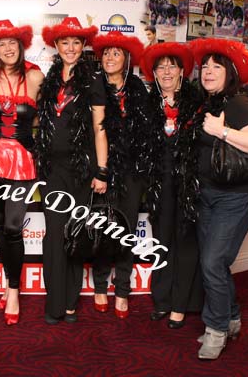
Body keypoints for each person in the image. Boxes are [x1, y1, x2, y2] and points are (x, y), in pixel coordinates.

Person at [189, 37, 248, 360]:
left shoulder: (238, 102)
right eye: (205, 67)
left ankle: (217, 329)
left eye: (216, 67)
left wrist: (221, 131)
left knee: (213, 262)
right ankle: (231, 317)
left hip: (235, 197)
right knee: (214, 263)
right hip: (207, 194)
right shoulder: (207, 102)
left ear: (230, 72)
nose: (208, 72)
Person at [0, 20, 44, 325]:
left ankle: (14, 291)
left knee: (14, 227)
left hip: (23, 160)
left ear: (21, 45)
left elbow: (46, 121)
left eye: (13, 43)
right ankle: (8, 280)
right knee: (0, 224)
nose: (8, 48)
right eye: (2, 44)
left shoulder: (37, 76)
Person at [37, 17, 105, 325]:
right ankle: (54, 302)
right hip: (53, 170)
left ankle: (70, 302)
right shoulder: (49, 78)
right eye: (65, 42)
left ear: (83, 46)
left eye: (76, 43)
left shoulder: (93, 80)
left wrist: (101, 170)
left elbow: (99, 128)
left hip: (81, 168)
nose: (70, 48)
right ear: (56, 45)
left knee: (73, 234)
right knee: (53, 235)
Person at [90, 31, 160, 319]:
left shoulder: (137, 89)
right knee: (103, 230)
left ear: (127, 59)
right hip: (101, 170)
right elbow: (95, 130)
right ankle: (99, 287)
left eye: (116, 53)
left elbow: (146, 132)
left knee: (125, 233)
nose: (109, 57)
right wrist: (101, 171)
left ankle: (122, 290)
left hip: (131, 172)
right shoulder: (93, 86)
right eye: (106, 53)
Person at [140, 42, 204, 329]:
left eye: (172, 66)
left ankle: (181, 304)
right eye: (161, 66)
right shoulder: (147, 103)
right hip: (159, 183)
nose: (166, 71)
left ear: (182, 71)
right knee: (162, 240)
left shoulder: (197, 101)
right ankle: (162, 300)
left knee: (186, 241)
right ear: (154, 73)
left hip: (189, 183)